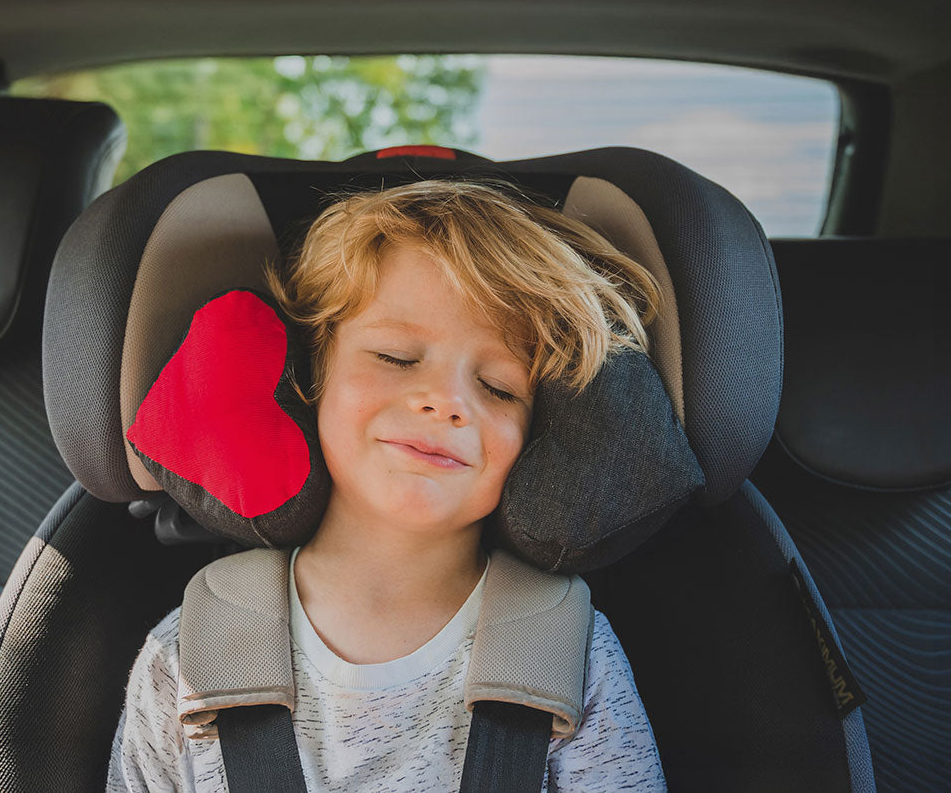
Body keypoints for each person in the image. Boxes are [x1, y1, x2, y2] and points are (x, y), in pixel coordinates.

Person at [108, 179, 668, 792]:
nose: (447, 401)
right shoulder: (191, 657)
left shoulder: (565, 654)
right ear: (311, 381)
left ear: (538, 442)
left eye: (500, 389)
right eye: (397, 357)